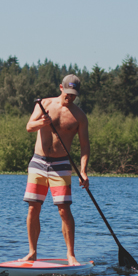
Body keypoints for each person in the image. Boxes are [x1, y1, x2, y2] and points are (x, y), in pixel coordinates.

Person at [21, 74, 89, 265]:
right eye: (68, 93)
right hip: (38, 163)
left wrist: (83, 171)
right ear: (61, 87)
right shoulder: (43, 104)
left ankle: (70, 255)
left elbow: (85, 146)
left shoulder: (79, 116)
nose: (70, 98)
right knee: (33, 208)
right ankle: (32, 252)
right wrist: (43, 122)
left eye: (74, 95)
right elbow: (29, 126)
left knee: (64, 211)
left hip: (61, 166)